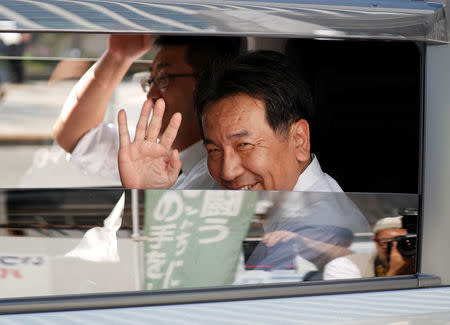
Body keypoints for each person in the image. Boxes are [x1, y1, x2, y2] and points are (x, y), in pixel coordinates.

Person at [118, 50, 371, 273]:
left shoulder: (319, 231)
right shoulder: (216, 175)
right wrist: (146, 196)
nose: (227, 171)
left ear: (299, 140)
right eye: (214, 149)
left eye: (245, 146)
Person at [53, 34, 241, 188]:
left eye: (164, 78)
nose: (151, 94)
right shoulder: (149, 152)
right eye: (151, 81)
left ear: (207, 84)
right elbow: (73, 135)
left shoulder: (224, 177)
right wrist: (118, 55)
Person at [323, 216, 417, 279]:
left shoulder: (424, 264)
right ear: (375, 241)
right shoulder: (344, 266)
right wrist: (395, 273)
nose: (394, 248)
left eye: (405, 242)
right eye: (387, 242)